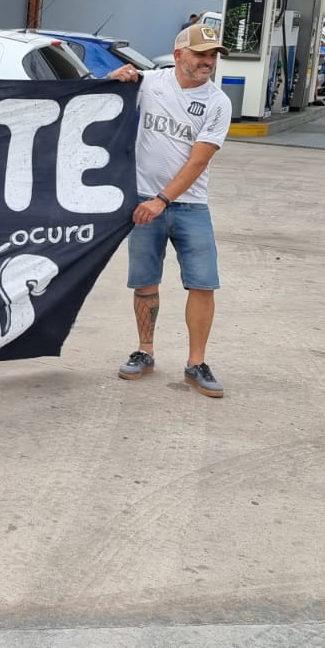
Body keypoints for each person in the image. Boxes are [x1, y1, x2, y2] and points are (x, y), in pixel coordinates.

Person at [107, 23, 233, 398]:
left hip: (189, 206)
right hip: (143, 200)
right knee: (145, 282)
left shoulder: (218, 102)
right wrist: (114, 77)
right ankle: (145, 352)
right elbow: (100, 99)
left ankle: (196, 363)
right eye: (201, 54)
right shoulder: (148, 83)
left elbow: (198, 162)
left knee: (203, 283)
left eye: (212, 55)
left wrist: (161, 200)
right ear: (179, 55)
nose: (208, 62)